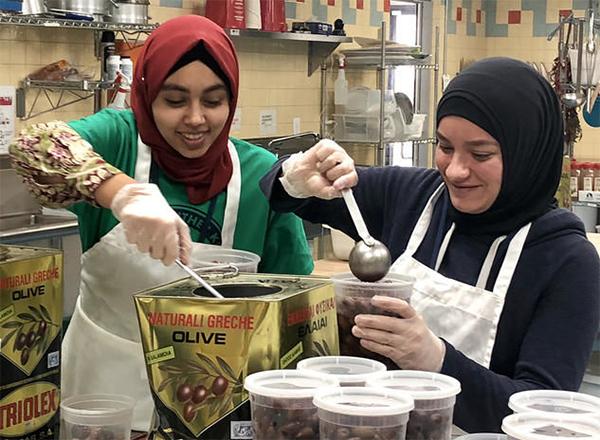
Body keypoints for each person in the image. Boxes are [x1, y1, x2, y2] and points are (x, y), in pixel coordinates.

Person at [260, 57, 600, 432]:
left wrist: (435, 358)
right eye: (445, 147)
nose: (455, 170)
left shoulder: (567, 261)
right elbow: (285, 194)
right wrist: (298, 175)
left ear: (526, 153)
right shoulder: (413, 197)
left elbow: (545, 419)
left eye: (481, 154)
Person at [10, 15, 313, 430]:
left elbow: (297, 304)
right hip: (107, 387)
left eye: (212, 101)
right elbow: (32, 144)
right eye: (174, 100)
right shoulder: (119, 139)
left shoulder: (261, 174)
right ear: (148, 95)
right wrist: (119, 191)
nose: (194, 119)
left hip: (217, 399)